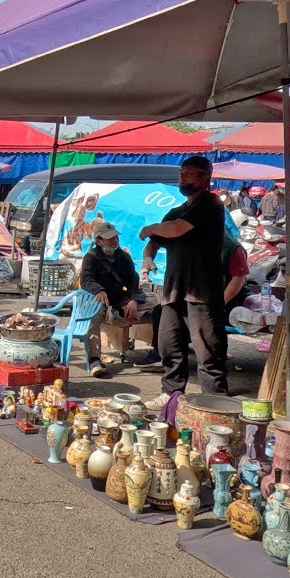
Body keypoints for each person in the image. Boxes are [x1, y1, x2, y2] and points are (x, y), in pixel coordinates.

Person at [139, 155, 228, 409]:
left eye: (189, 173)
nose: (183, 177)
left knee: (207, 352)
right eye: (181, 173)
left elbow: (175, 229)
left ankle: (216, 403)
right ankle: (171, 394)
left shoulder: (210, 204)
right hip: (174, 290)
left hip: (202, 291)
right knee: (169, 345)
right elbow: (155, 242)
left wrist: (150, 227)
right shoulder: (177, 210)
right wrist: (147, 259)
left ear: (205, 178)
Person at [78, 221, 155, 376]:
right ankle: (95, 359)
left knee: (158, 302)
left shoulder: (123, 256)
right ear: (99, 241)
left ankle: (158, 353)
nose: (114, 241)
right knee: (93, 316)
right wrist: (98, 289)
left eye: (115, 238)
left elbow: (133, 280)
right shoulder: (91, 257)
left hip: (121, 298)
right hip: (101, 300)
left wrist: (133, 299)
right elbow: (85, 279)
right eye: (109, 239)